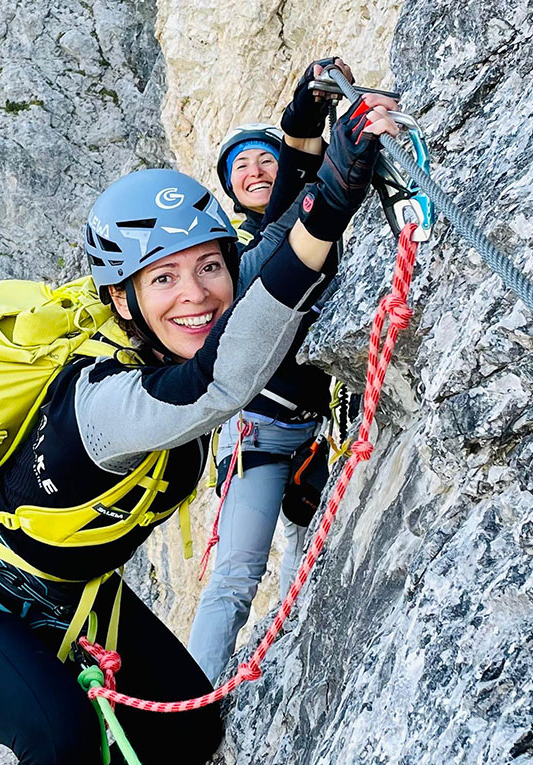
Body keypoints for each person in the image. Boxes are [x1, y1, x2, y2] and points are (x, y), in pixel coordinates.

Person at [0, 93, 401, 765]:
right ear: (123, 300)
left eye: (208, 267)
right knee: (58, 744)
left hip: (72, 595)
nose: (196, 295)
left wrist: (310, 143)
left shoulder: (170, 329)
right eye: (163, 278)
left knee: (190, 731)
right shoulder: (99, 405)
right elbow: (217, 385)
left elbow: (271, 250)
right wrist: (330, 207)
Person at [188, 57, 384, 683]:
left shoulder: (312, 235)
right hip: (261, 435)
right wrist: (308, 144)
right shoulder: (235, 255)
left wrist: (305, 119)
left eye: (262, 158)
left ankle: (295, 650)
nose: (252, 170)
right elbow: (286, 231)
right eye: (238, 166)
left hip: (321, 427)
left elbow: (300, 197)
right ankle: (195, 698)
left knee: (312, 559)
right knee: (238, 576)